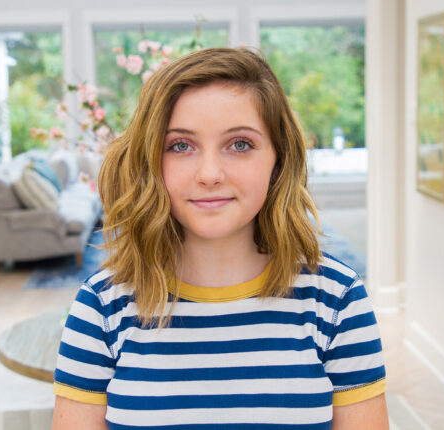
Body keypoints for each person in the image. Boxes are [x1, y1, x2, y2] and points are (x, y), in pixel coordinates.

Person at [51, 47, 388, 429]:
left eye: (239, 144)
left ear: (278, 161)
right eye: (180, 146)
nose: (209, 173)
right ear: (150, 161)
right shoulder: (101, 307)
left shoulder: (338, 300)